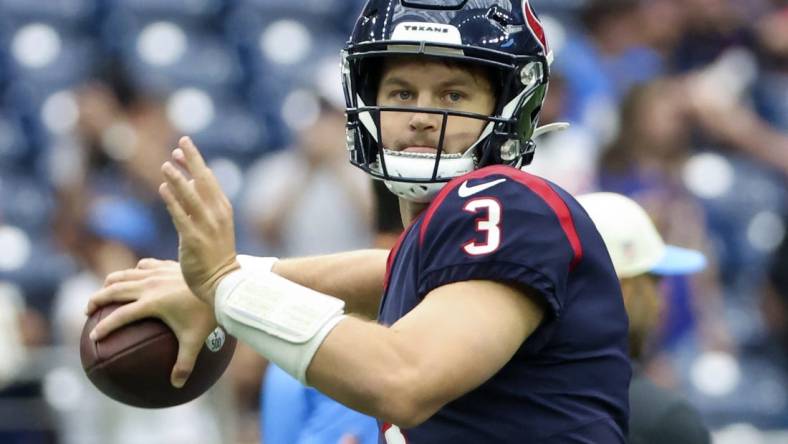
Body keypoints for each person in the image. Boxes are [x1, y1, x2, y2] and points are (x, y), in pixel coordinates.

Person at [87, 1, 631, 442]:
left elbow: (405, 377)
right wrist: (227, 281)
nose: (422, 115)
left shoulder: (506, 199)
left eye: (453, 94)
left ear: (511, 106)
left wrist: (227, 287)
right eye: (401, 92)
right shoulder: (439, 238)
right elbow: (387, 273)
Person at [578, 192, 711, 444]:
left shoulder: (505, 390)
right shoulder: (664, 420)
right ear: (618, 289)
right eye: (653, 281)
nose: (662, 300)